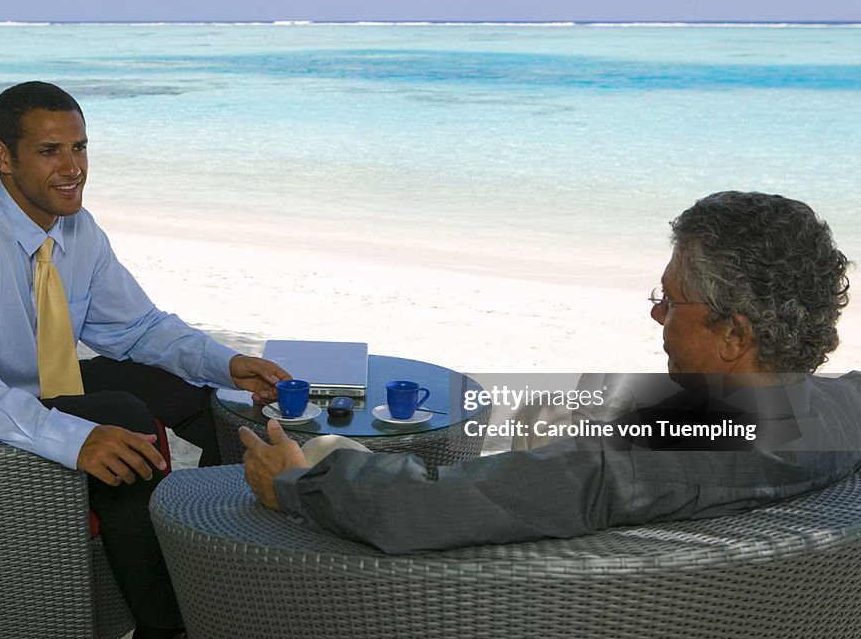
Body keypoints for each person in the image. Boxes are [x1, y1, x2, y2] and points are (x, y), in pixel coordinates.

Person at [0, 81, 288, 639]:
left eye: (80, 148)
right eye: (50, 151)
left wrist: (226, 362)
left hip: (23, 386)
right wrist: (73, 436)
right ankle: (166, 625)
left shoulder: (75, 228)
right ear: (4, 157)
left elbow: (137, 326)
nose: (72, 168)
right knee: (122, 413)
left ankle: (217, 560)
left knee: (182, 393)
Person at [240, 191, 861, 554]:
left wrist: (298, 484)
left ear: (734, 334)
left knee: (325, 444)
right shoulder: (839, 414)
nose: (655, 312)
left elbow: (413, 510)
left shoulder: (623, 468)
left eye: (671, 301)